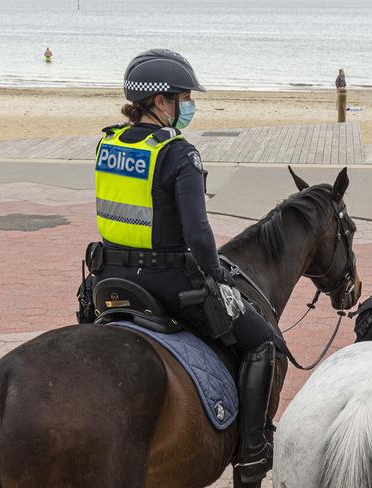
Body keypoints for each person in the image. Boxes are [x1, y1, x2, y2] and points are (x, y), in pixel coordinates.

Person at [88, 49, 282, 483]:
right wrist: (215, 274)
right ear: (161, 102)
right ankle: (253, 451)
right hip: (167, 280)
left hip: (108, 277)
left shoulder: (107, 143)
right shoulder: (179, 154)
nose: (187, 106)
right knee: (261, 341)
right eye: (183, 98)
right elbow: (198, 233)